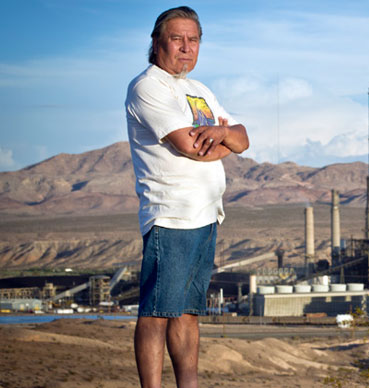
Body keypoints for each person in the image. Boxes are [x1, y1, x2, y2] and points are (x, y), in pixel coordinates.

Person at [125, 6, 249, 388]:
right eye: (177, 38)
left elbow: (243, 138)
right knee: (157, 313)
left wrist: (222, 135)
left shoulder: (200, 90)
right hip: (172, 215)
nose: (186, 47)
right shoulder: (148, 87)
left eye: (193, 40)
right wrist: (222, 139)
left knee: (187, 313)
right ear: (156, 42)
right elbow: (191, 146)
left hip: (206, 215)